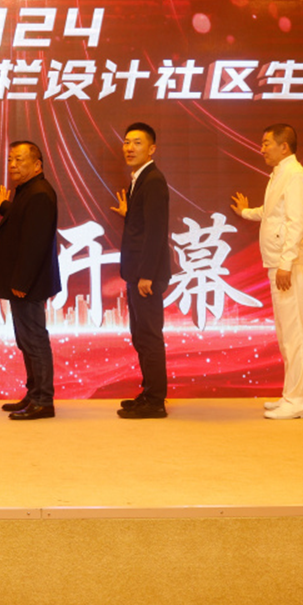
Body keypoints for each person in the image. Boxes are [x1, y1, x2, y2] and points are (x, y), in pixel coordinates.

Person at [231, 124, 303, 420]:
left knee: (295, 333)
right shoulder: (280, 174)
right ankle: (291, 395)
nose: (262, 149)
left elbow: (296, 222)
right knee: (286, 334)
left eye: (267, 143)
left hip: (288, 264)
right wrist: (246, 213)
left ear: (284, 146)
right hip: (279, 262)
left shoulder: (295, 176)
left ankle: (300, 401)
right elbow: (272, 214)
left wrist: (286, 262)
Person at [0, 141, 62, 421]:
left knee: (35, 340)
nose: (13, 165)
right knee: (26, 340)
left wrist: (21, 281)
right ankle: (33, 394)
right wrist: (6, 207)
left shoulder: (40, 193)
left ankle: (43, 401)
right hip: (23, 283)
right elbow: (24, 220)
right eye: (10, 160)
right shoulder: (29, 191)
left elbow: (35, 243)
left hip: (28, 284)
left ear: (37, 164)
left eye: (19, 160)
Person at [109, 122, 172, 419]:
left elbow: (157, 231)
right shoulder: (139, 179)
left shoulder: (153, 180)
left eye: (137, 143)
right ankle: (148, 393)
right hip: (138, 272)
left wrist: (147, 274)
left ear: (152, 149)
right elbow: (144, 224)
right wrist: (130, 214)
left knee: (149, 336)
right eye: (126, 142)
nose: (129, 148)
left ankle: (155, 401)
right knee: (141, 335)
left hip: (146, 275)